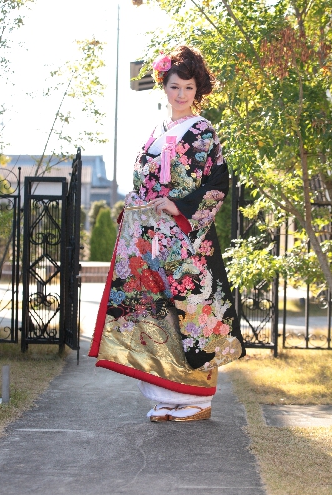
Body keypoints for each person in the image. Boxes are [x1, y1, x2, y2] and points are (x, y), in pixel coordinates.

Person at [89, 45, 245, 422]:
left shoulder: (203, 130)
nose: (181, 94)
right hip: (153, 238)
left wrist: (180, 206)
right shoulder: (157, 131)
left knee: (190, 314)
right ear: (164, 87)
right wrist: (138, 206)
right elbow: (143, 178)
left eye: (188, 87)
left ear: (197, 90)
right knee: (156, 314)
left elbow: (217, 183)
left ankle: (197, 400)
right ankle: (165, 397)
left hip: (186, 239)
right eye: (175, 86)